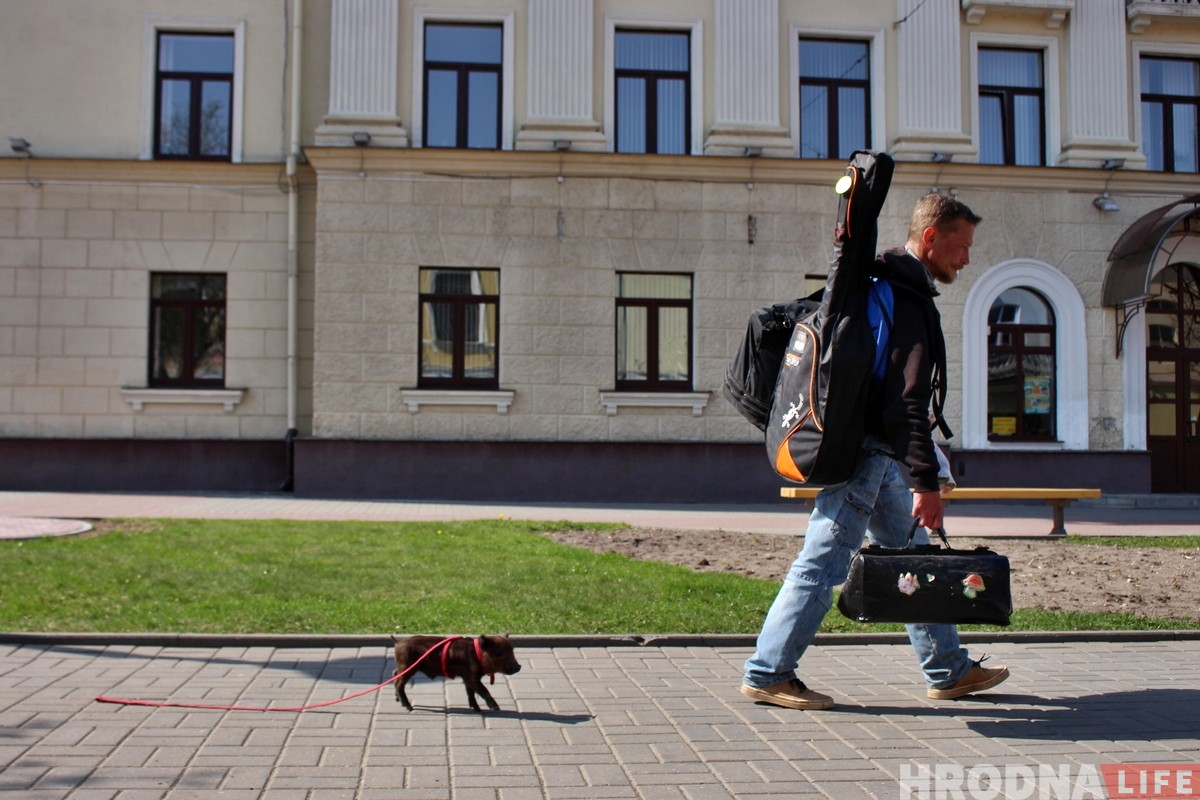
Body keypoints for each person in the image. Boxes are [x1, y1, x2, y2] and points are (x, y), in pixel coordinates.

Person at [740, 193, 1008, 710]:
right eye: (962, 246)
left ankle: (949, 670)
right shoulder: (904, 299)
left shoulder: (879, 283)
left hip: (875, 455)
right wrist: (926, 484)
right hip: (868, 457)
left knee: (915, 560)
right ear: (931, 238)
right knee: (821, 565)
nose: (967, 258)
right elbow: (906, 403)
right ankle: (768, 672)